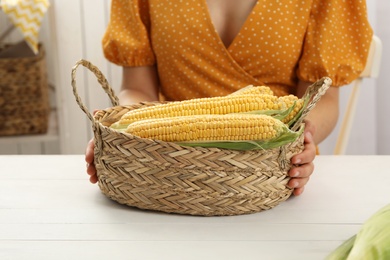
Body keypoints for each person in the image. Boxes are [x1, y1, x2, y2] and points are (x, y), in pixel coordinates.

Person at [86, 0, 373, 196]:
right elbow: (138, 89)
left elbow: (322, 98)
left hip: (274, 176)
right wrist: (121, 133)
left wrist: (302, 134)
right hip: (171, 173)